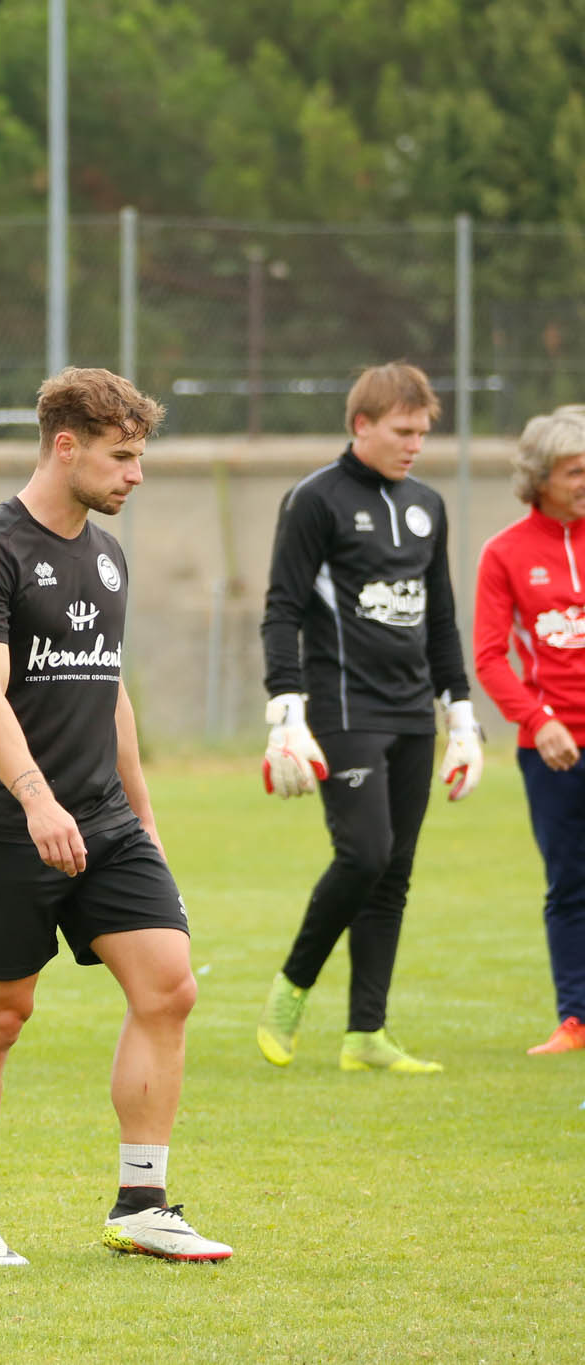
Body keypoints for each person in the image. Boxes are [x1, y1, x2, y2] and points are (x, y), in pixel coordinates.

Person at [0, 367, 232, 1266]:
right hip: (3, 821)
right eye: (123, 456)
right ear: (67, 446)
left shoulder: (107, 555)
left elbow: (110, 689)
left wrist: (142, 816)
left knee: (169, 985)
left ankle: (143, 1203)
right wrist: (35, 798)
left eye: (140, 456)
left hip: (103, 820)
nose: (136, 474)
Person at [255, 362, 481, 1075]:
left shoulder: (427, 505)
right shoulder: (315, 499)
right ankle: (291, 988)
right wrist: (285, 708)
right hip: (345, 709)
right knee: (364, 854)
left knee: (396, 870)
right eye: (403, 430)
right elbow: (282, 608)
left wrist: (463, 714)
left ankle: (366, 1034)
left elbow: (440, 615)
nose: (415, 444)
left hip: (413, 711)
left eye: (423, 432)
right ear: (363, 425)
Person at [472, 406, 585, 1055]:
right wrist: (538, 721)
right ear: (541, 477)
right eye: (575, 471)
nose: (584, 480)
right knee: (569, 883)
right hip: (553, 752)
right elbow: (489, 654)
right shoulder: (505, 552)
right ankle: (576, 1019)